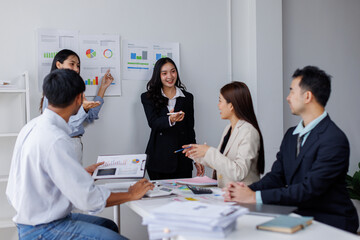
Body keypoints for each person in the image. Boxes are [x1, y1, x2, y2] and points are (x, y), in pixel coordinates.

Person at [6, 69, 154, 240]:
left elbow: (40, 176)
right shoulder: (56, 139)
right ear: (79, 98)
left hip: (31, 218)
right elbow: (88, 200)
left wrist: (80, 174)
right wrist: (131, 194)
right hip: (43, 227)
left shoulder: (32, 126)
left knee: (109, 226)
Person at [224, 66, 359, 233]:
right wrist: (245, 190)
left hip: (331, 222)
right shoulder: (291, 135)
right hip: (298, 217)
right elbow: (277, 176)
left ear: (308, 96)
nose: (288, 98)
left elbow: (309, 189)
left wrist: (254, 197)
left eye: (292, 92)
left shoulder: (334, 139)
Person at [182, 82, 264, 188]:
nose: (218, 105)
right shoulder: (228, 129)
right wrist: (199, 154)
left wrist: (209, 151)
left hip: (242, 196)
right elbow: (222, 163)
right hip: (226, 194)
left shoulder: (248, 132)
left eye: (220, 101)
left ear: (231, 106)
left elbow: (238, 172)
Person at [40, 49, 114, 163]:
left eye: (78, 65)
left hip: (75, 143)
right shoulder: (53, 93)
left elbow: (91, 115)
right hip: (62, 143)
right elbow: (66, 126)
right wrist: (83, 109)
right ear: (59, 64)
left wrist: (103, 88)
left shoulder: (75, 91)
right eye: (72, 64)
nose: (76, 69)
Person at [141, 57, 201, 180]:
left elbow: (190, 130)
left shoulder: (187, 98)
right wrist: (170, 120)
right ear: (158, 75)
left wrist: (196, 157)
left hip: (182, 160)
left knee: (183, 197)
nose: (170, 76)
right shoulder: (148, 97)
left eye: (173, 71)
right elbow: (153, 123)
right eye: (164, 73)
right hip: (158, 158)